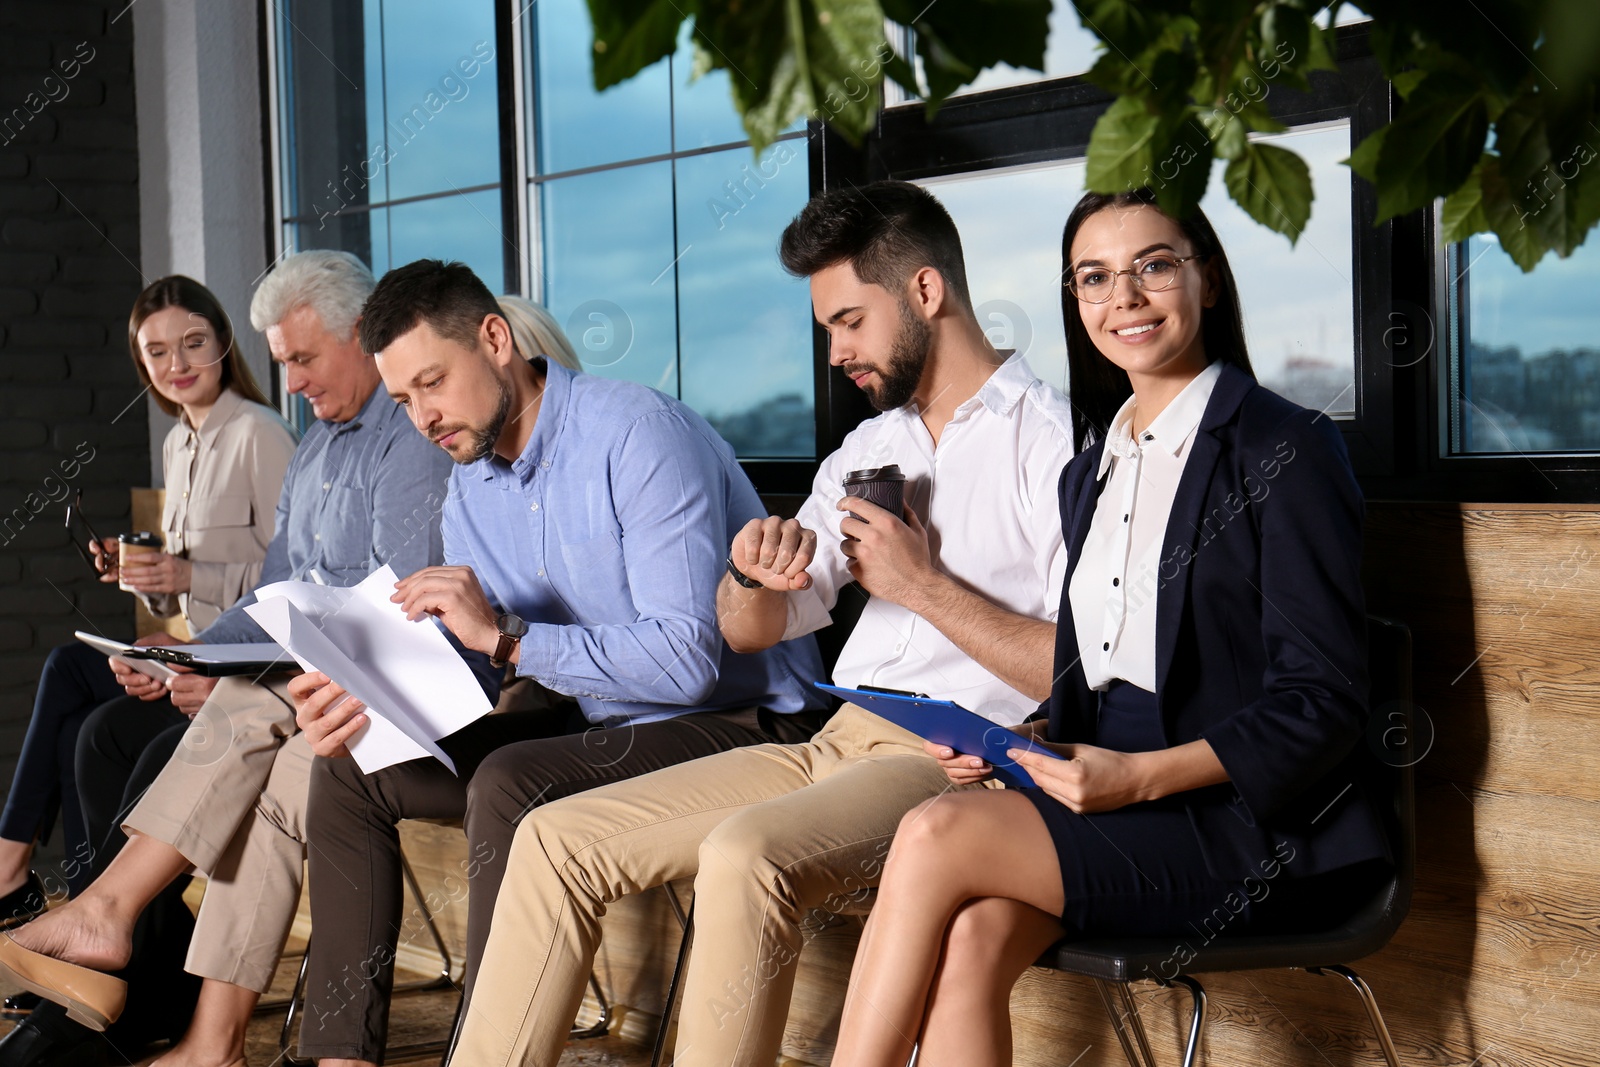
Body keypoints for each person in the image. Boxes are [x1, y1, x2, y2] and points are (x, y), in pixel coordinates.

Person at [448, 180, 1076, 1067]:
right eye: (828, 330)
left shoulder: (1051, 442)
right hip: (836, 737)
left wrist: (922, 585)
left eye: (849, 322)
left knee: (746, 852)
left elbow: (1078, 672)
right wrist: (750, 571)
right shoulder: (866, 450)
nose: (836, 353)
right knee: (555, 837)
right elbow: (749, 630)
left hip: (954, 762)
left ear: (926, 292)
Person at [827, 189, 1395, 1067]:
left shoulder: (1285, 448)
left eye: (1153, 266)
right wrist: (1027, 737)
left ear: (1205, 278)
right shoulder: (1091, 469)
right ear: (1075, 300)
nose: (1123, 297)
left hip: (1243, 823)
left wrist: (1138, 779)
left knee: (937, 831)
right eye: (1095, 277)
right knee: (973, 938)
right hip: (1112, 795)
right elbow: (1098, 670)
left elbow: (1322, 705)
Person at [278, 260, 828, 1066]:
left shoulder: (638, 434)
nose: (424, 417)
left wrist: (504, 636)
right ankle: (340, 1059)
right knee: (352, 768)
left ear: (495, 340)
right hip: (593, 721)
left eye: (433, 382)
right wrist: (365, 692)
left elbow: (688, 663)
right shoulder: (471, 486)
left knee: (509, 780)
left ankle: (489, 1051)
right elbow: (484, 669)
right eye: (403, 400)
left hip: (736, 725)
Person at [0, 250, 455, 1067]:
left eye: (306, 359)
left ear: (363, 333)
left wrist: (230, 664)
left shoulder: (407, 439)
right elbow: (279, 584)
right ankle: (199, 1029)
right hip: (311, 683)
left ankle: (111, 924)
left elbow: (393, 608)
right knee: (190, 744)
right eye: (284, 363)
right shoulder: (318, 448)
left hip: (386, 691)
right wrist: (199, 656)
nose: (296, 382)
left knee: (239, 721)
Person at [0, 275, 295, 911]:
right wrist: (148, 576)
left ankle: (12, 868)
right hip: (192, 649)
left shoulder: (259, 433)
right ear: (143, 363)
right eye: (157, 352)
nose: (177, 364)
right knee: (75, 701)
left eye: (192, 342)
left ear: (223, 342)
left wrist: (190, 577)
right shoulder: (178, 443)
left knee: (72, 689)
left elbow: (297, 583)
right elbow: (178, 595)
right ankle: (68, 921)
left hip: (243, 671)